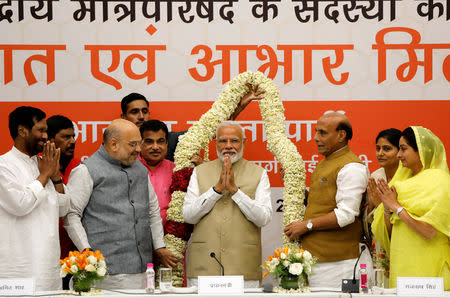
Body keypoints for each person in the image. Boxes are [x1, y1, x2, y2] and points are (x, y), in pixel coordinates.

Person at [64, 119, 177, 289]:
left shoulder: (140, 169)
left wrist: (159, 246)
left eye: (139, 144)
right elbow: (71, 215)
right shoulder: (86, 170)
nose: (138, 149)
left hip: (142, 271)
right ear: (114, 144)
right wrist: (86, 252)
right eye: (133, 144)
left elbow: (152, 211)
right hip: (103, 273)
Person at [284, 112, 369, 288]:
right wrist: (297, 189)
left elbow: (346, 214)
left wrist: (306, 225)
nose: (315, 138)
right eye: (316, 132)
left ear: (341, 135)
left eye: (322, 133)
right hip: (316, 258)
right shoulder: (325, 163)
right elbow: (322, 205)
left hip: (340, 263)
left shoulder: (351, 167)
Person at [183, 121, 272, 288]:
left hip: (243, 265)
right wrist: (215, 191)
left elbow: (264, 218)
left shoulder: (259, 173)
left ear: (244, 143)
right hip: (204, 266)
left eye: (234, 141)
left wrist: (235, 191)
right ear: (215, 142)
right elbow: (188, 215)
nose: (228, 146)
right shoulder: (200, 171)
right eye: (223, 141)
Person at [371, 126, 450, 290]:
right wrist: (385, 208)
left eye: (403, 149)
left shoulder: (440, 182)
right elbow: (389, 234)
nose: (399, 155)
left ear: (421, 150)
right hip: (402, 265)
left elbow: (428, 231)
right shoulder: (401, 184)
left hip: (429, 269)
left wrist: (396, 207)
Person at [0, 106, 69, 291]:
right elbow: (20, 204)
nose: (46, 136)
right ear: (22, 131)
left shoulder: (43, 163)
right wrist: (44, 176)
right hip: (19, 270)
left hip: (49, 267)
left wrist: (55, 177)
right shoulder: (4, 166)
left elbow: (63, 209)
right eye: (41, 130)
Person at [120, 87, 264, 161]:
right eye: (134, 112)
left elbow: (211, 129)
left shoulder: (171, 140)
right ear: (124, 117)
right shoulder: (117, 147)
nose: (141, 116)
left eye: (144, 111)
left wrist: (240, 106)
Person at [47, 115, 81, 289]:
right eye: (66, 137)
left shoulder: (80, 168)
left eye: (73, 136)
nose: (73, 141)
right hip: (46, 253)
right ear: (51, 140)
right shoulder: (38, 166)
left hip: (75, 256)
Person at [364, 128, 401, 282]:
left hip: (400, 240)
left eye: (387, 149)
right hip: (379, 242)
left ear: (400, 151)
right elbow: (368, 218)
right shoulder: (376, 176)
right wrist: (372, 207)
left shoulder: (408, 178)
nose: (380, 153)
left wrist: (381, 206)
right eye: (378, 148)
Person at [138, 120, 174, 228]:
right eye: (149, 142)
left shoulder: (176, 170)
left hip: (170, 238)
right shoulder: (129, 169)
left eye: (160, 141)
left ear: (166, 143)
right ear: (140, 143)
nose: (155, 147)